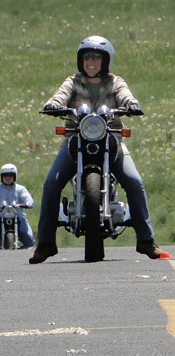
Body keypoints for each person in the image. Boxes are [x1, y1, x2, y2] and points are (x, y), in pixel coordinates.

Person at [29, 35, 165, 264]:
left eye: (96, 57)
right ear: (80, 61)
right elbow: (60, 96)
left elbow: (125, 95)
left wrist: (131, 104)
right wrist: (53, 104)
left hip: (112, 139)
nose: (91, 62)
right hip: (75, 140)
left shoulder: (115, 82)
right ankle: (45, 243)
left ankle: (146, 240)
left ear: (105, 60)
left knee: (134, 181)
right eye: (86, 57)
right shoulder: (72, 82)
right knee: (51, 184)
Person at [0, 163, 35, 249]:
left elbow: (27, 197)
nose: (7, 178)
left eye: (10, 175)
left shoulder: (20, 189)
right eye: (5, 175)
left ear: (14, 176)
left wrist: (28, 203)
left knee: (29, 237)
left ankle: (27, 252)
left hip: (18, 216)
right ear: (1, 177)